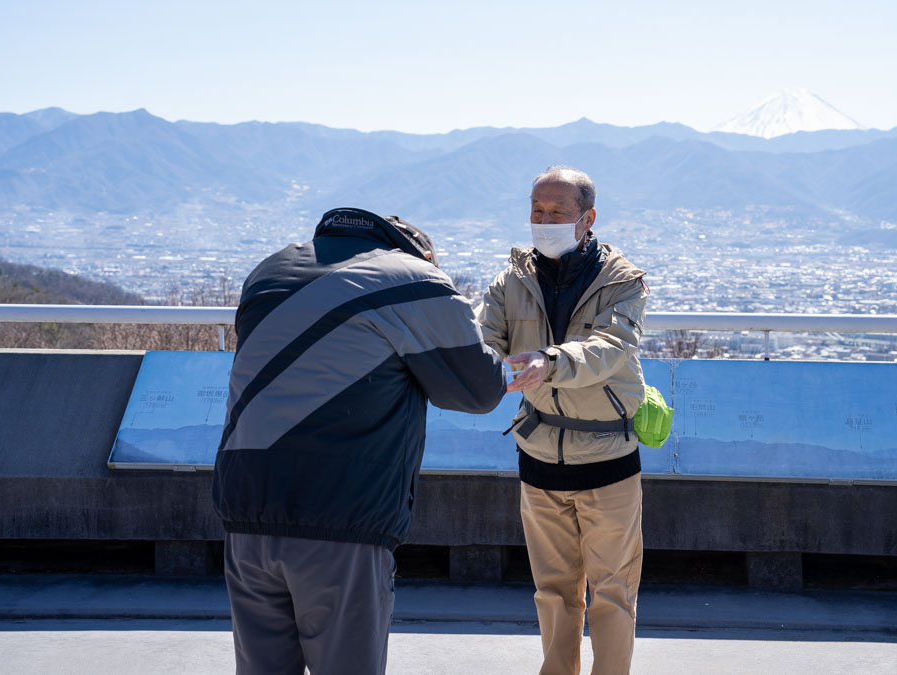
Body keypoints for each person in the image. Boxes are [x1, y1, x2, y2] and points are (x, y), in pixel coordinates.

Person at [212, 207, 506, 674]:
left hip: (245, 509)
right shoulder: (415, 279)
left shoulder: (270, 269)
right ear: (424, 254)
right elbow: (478, 389)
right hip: (341, 516)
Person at [479, 166, 649, 675]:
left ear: (587, 218)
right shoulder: (511, 280)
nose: (544, 220)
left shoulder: (622, 281)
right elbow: (483, 341)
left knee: (612, 594)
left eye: (557, 212)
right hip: (539, 456)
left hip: (607, 459)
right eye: (537, 210)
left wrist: (548, 362)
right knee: (552, 593)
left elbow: (611, 348)